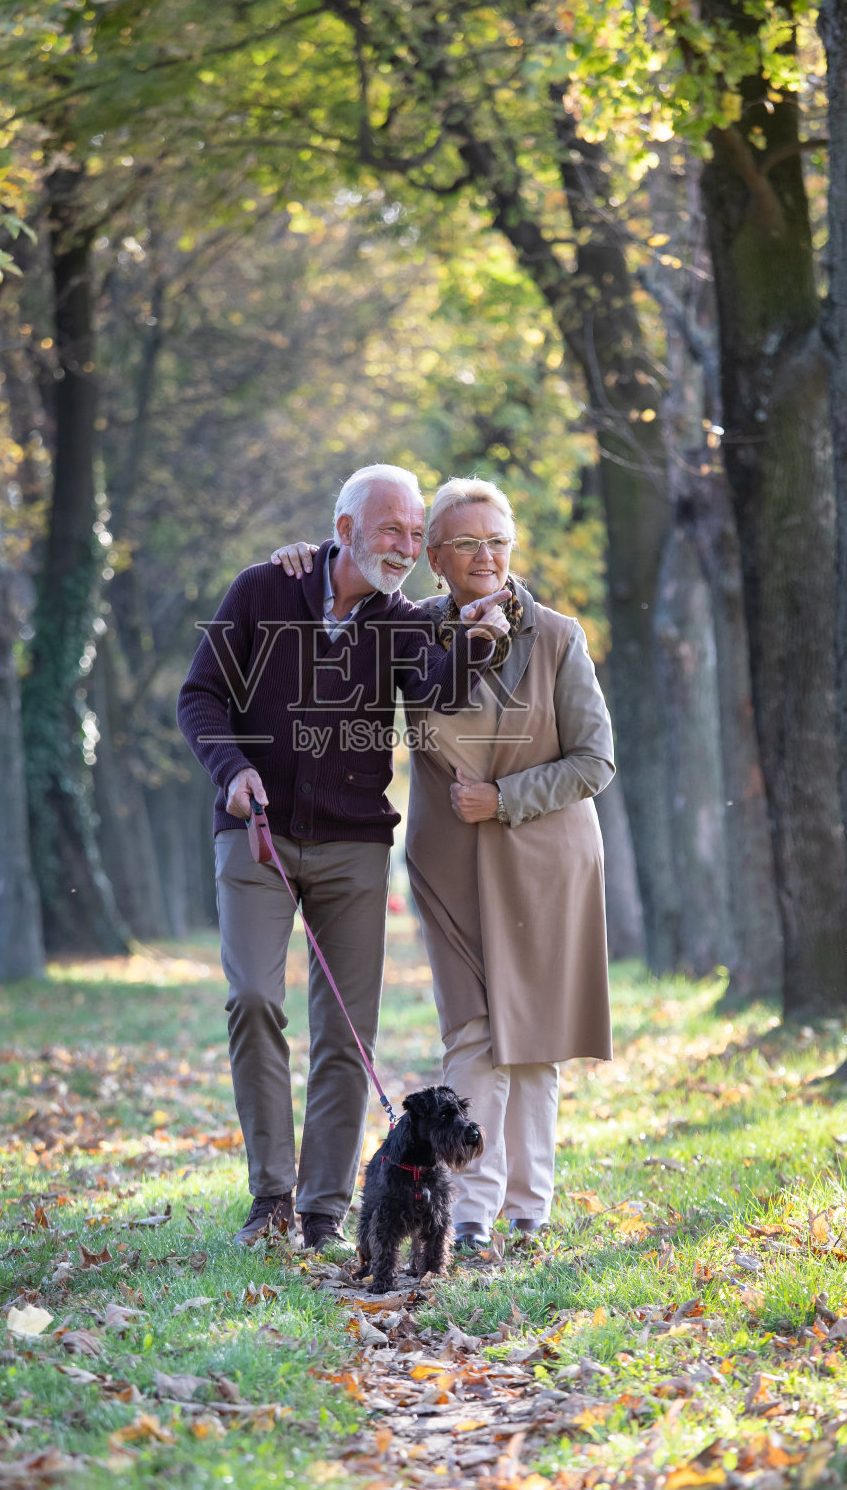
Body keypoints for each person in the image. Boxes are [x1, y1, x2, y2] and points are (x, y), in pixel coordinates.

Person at [270, 476, 614, 1246]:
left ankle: (528, 1209)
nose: (485, 556)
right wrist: (303, 561)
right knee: (474, 1030)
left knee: (535, 1040)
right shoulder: (406, 629)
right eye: (465, 542)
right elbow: (332, 616)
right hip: (451, 857)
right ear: (432, 556)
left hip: (545, 858)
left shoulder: (558, 637)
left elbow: (595, 761)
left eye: (497, 540)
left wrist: (505, 796)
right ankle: (468, 1216)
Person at [177, 464, 510, 1250]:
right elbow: (200, 696)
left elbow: (435, 692)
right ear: (345, 530)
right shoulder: (263, 589)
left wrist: (475, 644)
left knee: (345, 1032)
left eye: (412, 530)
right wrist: (234, 770)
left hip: (355, 842)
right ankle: (271, 1198)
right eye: (389, 529)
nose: (404, 545)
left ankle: (323, 1212)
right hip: (254, 829)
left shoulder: (401, 621)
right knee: (253, 999)